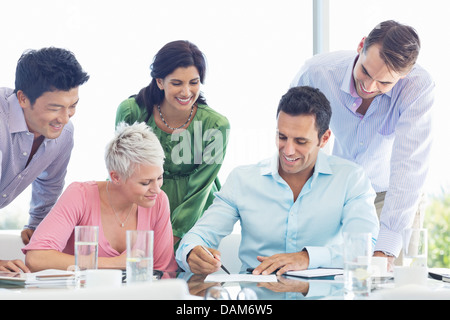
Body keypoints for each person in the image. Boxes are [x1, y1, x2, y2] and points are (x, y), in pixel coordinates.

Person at [176, 86, 379, 275]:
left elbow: (364, 247)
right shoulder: (242, 180)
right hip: (256, 300)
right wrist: (192, 253)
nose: (288, 151)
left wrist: (307, 258)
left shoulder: (351, 179)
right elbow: (196, 238)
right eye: (282, 137)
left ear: (324, 139)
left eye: (301, 141)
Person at [290, 20, 434, 268]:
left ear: (404, 76)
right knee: (336, 278)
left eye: (384, 83)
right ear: (360, 46)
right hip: (338, 195)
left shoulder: (418, 87)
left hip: (392, 197)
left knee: (393, 287)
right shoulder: (318, 72)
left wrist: (386, 250)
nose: (368, 86)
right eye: (366, 71)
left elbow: (409, 167)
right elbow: (291, 135)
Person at [115, 40, 230, 247]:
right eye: (177, 83)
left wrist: (175, 234)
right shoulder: (131, 112)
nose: (186, 92)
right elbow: (122, 171)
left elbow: (201, 186)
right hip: (140, 205)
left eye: (194, 82)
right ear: (160, 81)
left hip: (195, 213)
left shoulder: (216, 125)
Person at [23, 122, 178, 272]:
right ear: (116, 177)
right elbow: (36, 258)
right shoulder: (80, 195)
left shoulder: (158, 201)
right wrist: (113, 263)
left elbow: (163, 271)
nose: (157, 190)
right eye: (145, 183)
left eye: (159, 178)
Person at [0, 47, 89, 272]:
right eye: (55, 108)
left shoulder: (63, 136)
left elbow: (49, 186)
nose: (65, 118)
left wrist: (37, 229)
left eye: (72, 106)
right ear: (22, 98)